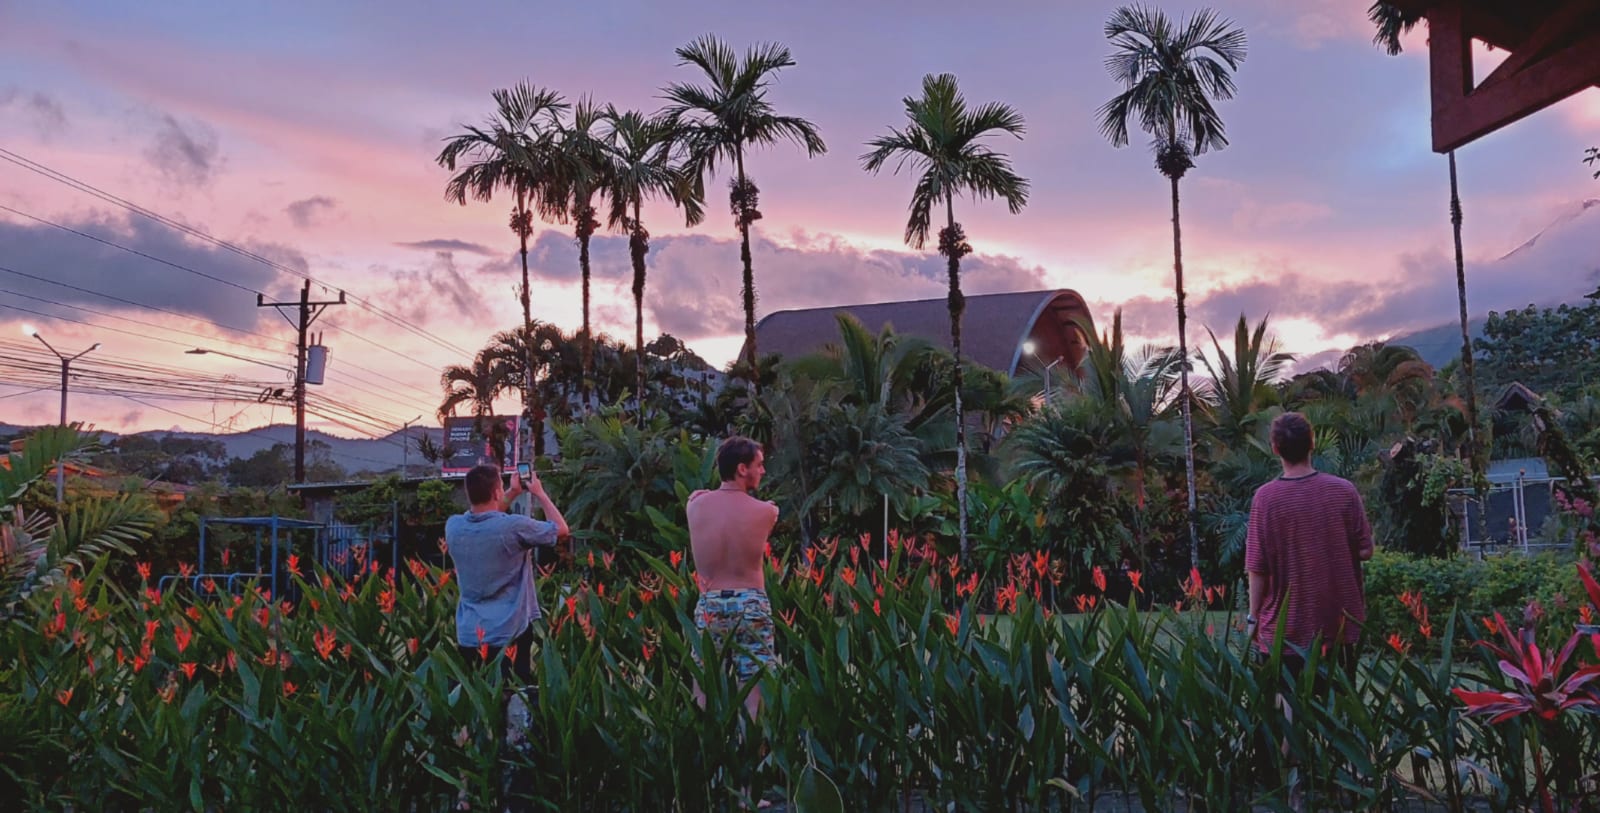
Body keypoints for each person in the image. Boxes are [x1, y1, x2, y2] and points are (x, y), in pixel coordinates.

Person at [1246, 411, 1374, 679]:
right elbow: (1365, 550)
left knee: (1285, 714)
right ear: (1312, 443)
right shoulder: (1343, 490)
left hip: (1283, 630)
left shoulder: (1265, 499)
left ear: (1275, 448)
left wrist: (1252, 618)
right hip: (1338, 626)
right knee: (1335, 713)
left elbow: (1258, 568)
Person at [446, 463, 570, 685]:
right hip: (509, 632)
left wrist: (512, 492)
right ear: (496, 492)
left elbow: (488, 516)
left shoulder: (453, 526)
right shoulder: (512, 527)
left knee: (478, 700)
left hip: (469, 634)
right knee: (513, 699)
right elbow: (561, 529)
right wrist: (539, 492)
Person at [686, 436, 779, 719]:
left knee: (703, 686)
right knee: (754, 689)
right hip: (751, 605)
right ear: (742, 469)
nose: (762, 471)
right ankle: (754, 755)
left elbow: (700, 496)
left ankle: (704, 751)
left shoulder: (694, 506)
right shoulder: (768, 512)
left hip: (711, 604)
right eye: (759, 465)